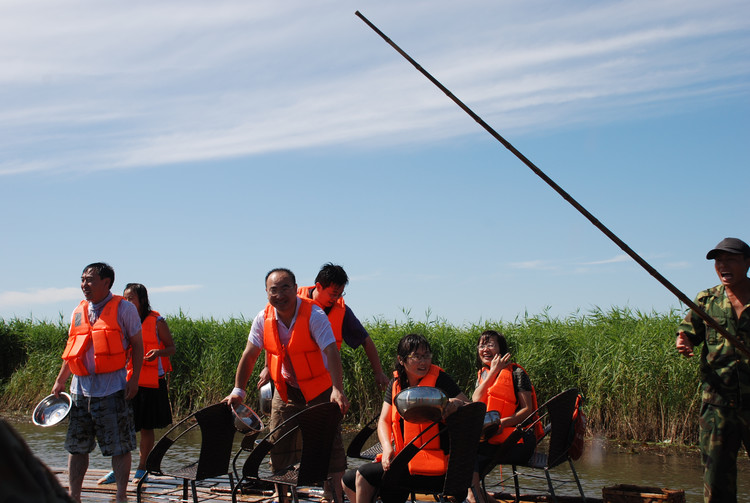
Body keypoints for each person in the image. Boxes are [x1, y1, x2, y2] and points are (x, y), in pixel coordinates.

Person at [223, 268, 349, 503]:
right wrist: (238, 390)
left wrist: (337, 390)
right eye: (273, 290)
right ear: (266, 292)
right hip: (286, 388)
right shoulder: (263, 317)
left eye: (285, 288)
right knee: (278, 441)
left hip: (320, 389)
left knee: (329, 444)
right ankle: (283, 497)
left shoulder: (314, 315)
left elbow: (332, 351)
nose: (279, 294)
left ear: (295, 288)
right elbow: (250, 354)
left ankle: (335, 497)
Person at [51, 263, 143, 503]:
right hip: (80, 391)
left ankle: (121, 496)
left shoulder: (124, 309)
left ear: (107, 283)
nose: (84, 285)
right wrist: (61, 380)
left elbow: (138, 345)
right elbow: (72, 350)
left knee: (120, 446)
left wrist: (134, 379)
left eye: (90, 280)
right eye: (82, 279)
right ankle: (75, 496)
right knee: (77, 447)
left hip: (112, 390)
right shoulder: (78, 310)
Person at [342, 333, 469, 503]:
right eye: (416, 356)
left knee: (363, 476)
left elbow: (470, 407)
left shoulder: (441, 380)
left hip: (436, 466)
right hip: (403, 460)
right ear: (401, 360)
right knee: (348, 480)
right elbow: (384, 421)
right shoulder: (396, 384)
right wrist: (387, 448)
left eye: (426, 356)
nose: (423, 362)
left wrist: (455, 403)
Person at [676, 237, 750, 503]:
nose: (723, 265)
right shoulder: (707, 300)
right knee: (717, 481)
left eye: (730, 259)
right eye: (719, 260)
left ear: (747, 263)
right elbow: (687, 332)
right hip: (718, 406)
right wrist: (682, 341)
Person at [469, 330, 544, 503]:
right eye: (481, 345)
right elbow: (475, 399)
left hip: (519, 440)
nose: (485, 349)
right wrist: (493, 372)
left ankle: (474, 496)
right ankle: (478, 495)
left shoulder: (517, 373)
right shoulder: (483, 374)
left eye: (490, 345)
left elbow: (527, 410)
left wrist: (503, 423)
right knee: (464, 450)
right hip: (490, 438)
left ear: (501, 350)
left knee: (469, 454)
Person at [122, 283, 175, 484]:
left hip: (152, 382)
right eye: (124, 298)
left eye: (131, 298)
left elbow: (171, 348)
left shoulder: (157, 321)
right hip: (129, 380)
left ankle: (142, 467)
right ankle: (119, 468)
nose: (126, 301)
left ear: (142, 300)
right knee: (125, 426)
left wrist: (158, 353)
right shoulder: (124, 320)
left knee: (146, 427)